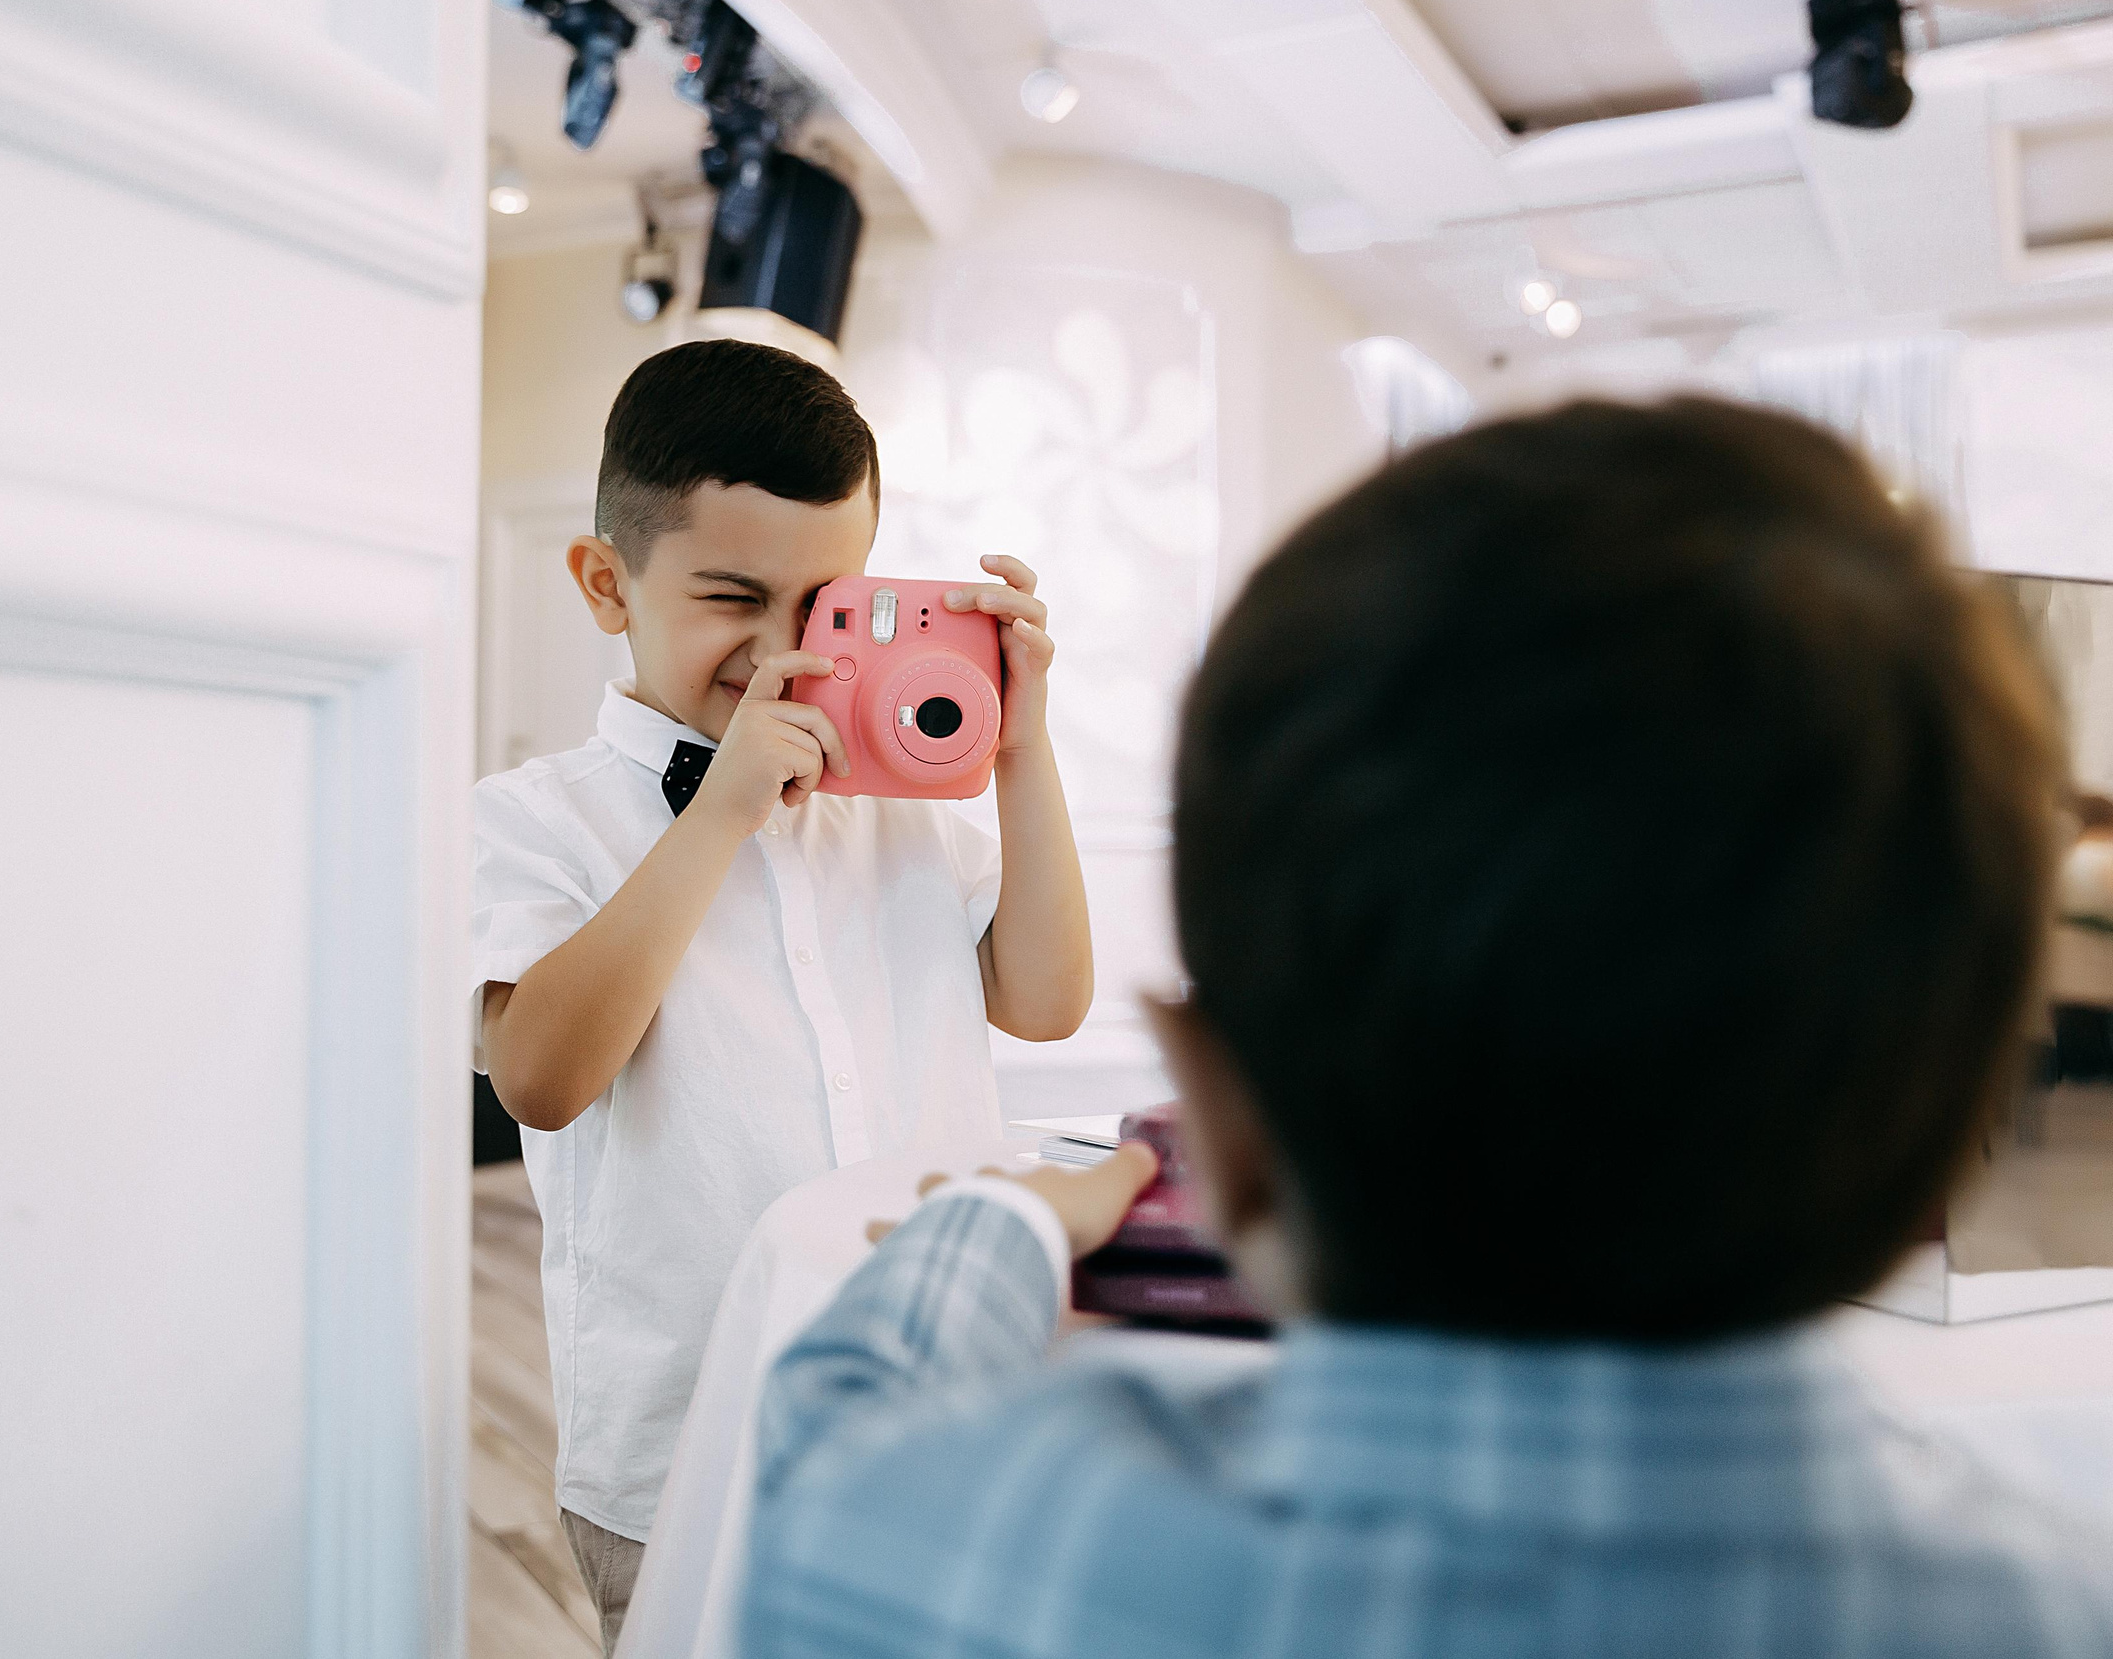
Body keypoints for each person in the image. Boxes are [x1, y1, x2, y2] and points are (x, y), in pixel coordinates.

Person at [741, 398, 2113, 1657]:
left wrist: (1013, 1218)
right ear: (1953, 1150)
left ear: (1216, 1123)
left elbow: (835, 1406)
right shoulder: (2055, 1611)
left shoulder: (910, 1541)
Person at [472, 338, 1093, 1651]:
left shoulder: (901, 818)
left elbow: (1045, 1001)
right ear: (604, 581)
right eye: (727, 596)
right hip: (683, 1445)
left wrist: (1023, 750)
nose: (775, 650)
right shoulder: (531, 823)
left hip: (933, 1406)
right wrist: (722, 817)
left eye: (821, 604)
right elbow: (542, 1072)